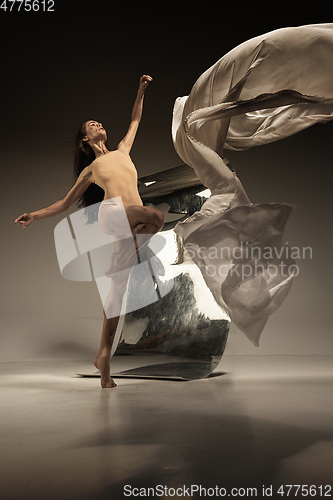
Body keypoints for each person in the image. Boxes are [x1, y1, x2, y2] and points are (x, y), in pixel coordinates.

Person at [15, 75, 164, 388]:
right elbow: (65, 203)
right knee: (154, 216)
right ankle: (120, 263)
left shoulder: (122, 151)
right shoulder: (91, 169)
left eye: (99, 123)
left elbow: (135, 119)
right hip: (111, 214)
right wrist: (35, 215)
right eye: (91, 124)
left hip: (130, 224)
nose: (98, 124)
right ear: (85, 139)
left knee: (118, 294)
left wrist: (140, 90)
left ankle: (103, 358)